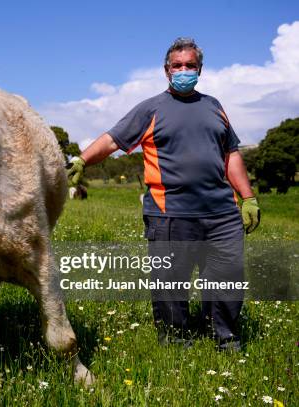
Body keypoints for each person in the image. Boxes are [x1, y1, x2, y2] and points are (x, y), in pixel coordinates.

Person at [67, 37, 260, 350]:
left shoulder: (214, 107)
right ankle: (176, 343)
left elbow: (231, 154)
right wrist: (82, 160)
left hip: (222, 213)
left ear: (200, 69)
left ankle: (224, 336)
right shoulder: (151, 108)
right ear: (166, 70)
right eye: (177, 65)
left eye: (190, 65)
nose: (184, 70)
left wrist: (248, 197)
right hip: (170, 214)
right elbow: (113, 140)